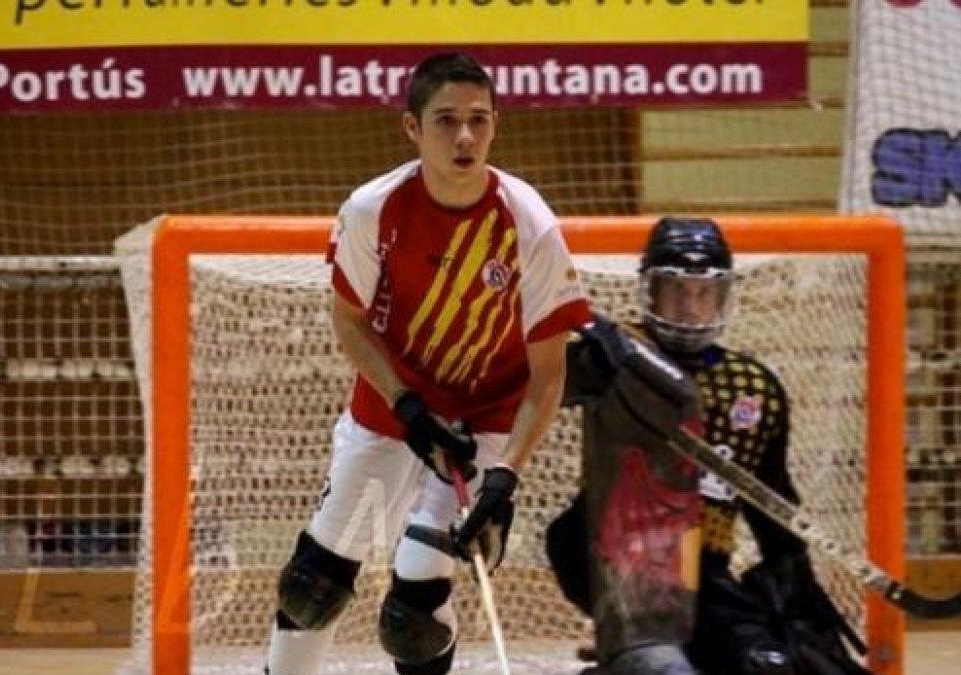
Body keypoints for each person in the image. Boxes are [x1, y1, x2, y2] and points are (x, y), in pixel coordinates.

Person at [264, 51, 592, 675]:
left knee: (414, 613)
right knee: (313, 585)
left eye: (479, 119)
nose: (464, 136)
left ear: (497, 123)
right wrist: (407, 405)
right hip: (391, 407)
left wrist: (506, 479)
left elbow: (550, 373)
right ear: (411, 128)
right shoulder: (373, 209)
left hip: (484, 420)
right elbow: (350, 323)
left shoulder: (531, 226)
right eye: (445, 120)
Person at [546, 216, 870, 675]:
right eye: (677, 291)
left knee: (773, 663)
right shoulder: (613, 356)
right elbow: (530, 389)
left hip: (708, 574)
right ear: (650, 292)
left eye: (704, 293)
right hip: (618, 559)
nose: (691, 307)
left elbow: (773, 504)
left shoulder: (752, 386)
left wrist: (797, 592)